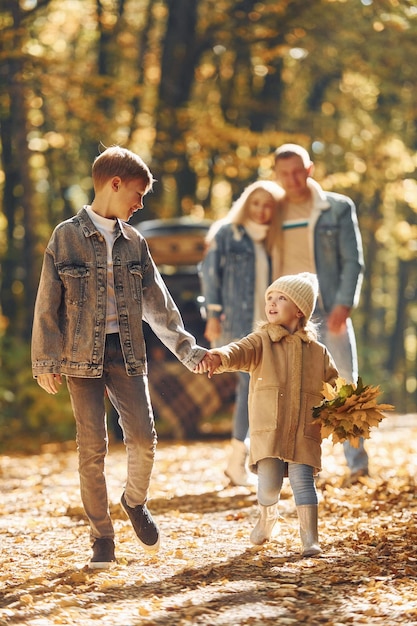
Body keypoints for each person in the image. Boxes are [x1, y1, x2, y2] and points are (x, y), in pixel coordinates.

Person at [31, 146, 211, 569]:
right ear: (114, 184)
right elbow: (46, 304)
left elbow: (159, 305)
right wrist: (46, 359)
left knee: (144, 441)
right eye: (138, 193)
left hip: (128, 353)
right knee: (91, 448)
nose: (140, 202)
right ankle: (102, 537)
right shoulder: (65, 236)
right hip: (79, 358)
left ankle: (134, 501)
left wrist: (189, 350)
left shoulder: (135, 242)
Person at [195, 272, 338, 556]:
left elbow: (334, 386)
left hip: (303, 430)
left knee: (303, 483)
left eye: (281, 298)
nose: (271, 303)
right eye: (269, 298)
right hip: (269, 429)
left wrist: (343, 408)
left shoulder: (318, 352)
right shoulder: (261, 341)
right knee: (269, 486)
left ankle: (310, 538)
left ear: (299, 310)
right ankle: (267, 517)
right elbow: (238, 350)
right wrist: (218, 356)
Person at [271, 143, 369, 484]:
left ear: (309, 169)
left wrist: (344, 303)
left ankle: (357, 467)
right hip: (288, 313)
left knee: (344, 384)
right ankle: (302, 471)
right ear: (277, 176)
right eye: (285, 174)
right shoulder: (273, 211)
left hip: (329, 309)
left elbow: (352, 260)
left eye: (298, 171)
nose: (292, 179)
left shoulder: (337, 208)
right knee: (293, 391)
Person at [200, 180, 284, 486]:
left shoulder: (276, 239)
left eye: (268, 205)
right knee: (250, 390)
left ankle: (244, 461)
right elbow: (209, 275)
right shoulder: (227, 233)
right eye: (256, 203)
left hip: (270, 329)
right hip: (236, 326)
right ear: (247, 203)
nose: (261, 211)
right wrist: (211, 317)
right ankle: (239, 462)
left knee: (257, 393)